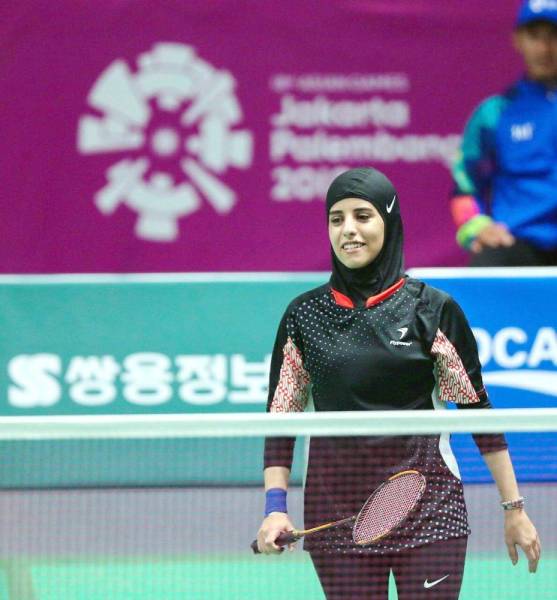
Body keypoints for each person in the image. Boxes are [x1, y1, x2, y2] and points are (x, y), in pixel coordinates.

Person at [255, 167, 540, 599]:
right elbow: (280, 420)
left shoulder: (432, 310)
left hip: (431, 510)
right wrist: (274, 508)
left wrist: (513, 508)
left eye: (362, 216)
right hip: (336, 514)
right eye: (337, 219)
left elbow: (477, 414)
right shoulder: (303, 316)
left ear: (388, 221)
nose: (348, 230)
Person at [450, 0, 557, 266]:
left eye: (554, 36)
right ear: (518, 40)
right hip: (517, 244)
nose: (545, 48)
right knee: (486, 265)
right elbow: (464, 187)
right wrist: (475, 226)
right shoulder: (494, 114)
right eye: (535, 36)